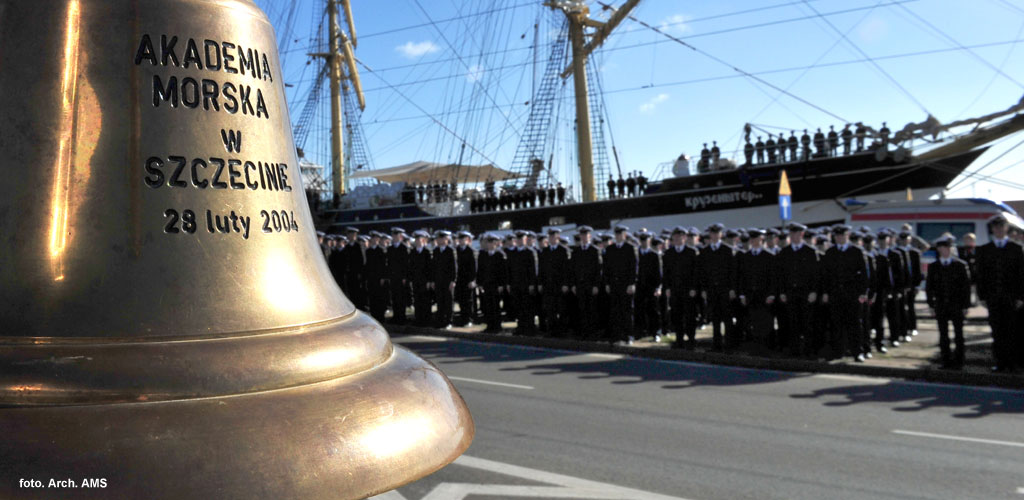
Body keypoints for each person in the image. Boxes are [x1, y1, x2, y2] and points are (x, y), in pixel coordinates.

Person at [976, 214, 1024, 372]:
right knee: (997, 331)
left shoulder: (1016, 249)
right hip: (993, 297)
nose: (998, 230)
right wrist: (982, 296)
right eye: (995, 227)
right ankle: (1000, 362)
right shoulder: (984, 250)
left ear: (1006, 229)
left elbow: (1021, 275)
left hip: (1011, 298)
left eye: (1001, 227)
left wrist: (1021, 297)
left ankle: (1012, 363)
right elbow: (981, 275)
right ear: (992, 230)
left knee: (1012, 330)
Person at [822, 225, 869, 361]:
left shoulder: (856, 251)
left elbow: (864, 275)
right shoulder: (830, 252)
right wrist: (826, 292)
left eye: (841, 236)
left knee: (854, 324)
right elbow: (826, 274)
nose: (839, 238)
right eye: (836, 236)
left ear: (847, 236)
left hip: (852, 294)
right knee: (837, 324)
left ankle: (857, 352)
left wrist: (862, 292)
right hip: (836, 294)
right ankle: (838, 351)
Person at [926, 235, 971, 369]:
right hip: (941, 305)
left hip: (956, 305)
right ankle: (945, 360)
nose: (944, 250)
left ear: (951, 249)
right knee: (943, 334)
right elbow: (929, 287)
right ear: (938, 249)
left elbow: (966, 288)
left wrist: (966, 305)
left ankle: (959, 361)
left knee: (959, 334)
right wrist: (931, 304)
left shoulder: (960, 265)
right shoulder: (934, 266)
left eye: (947, 247)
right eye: (941, 247)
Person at [777, 222, 820, 356]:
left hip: (806, 292)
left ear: (801, 234)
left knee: (807, 323)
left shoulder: (810, 251)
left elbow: (816, 274)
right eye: (792, 233)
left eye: (796, 233)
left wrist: (814, 291)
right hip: (791, 292)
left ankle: (808, 351)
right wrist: (782, 291)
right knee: (793, 323)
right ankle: (794, 351)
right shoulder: (785, 252)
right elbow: (781, 274)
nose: (794, 236)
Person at [699, 223, 736, 351]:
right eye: (712, 233)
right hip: (711, 289)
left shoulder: (727, 250)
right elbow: (702, 272)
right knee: (715, 318)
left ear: (721, 234)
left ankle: (730, 344)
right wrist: (704, 288)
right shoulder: (705, 251)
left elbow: (732, 271)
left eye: (716, 233)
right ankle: (716, 344)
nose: (714, 236)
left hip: (724, 288)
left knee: (727, 318)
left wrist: (732, 288)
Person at [737, 229, 776, 347]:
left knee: (765, 322)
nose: (753, 241)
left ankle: (767, 347)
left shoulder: (768, 256)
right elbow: (742, 277)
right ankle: (756, 346)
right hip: (751, 295)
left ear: (761, 239)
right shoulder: (746, 256)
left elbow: (773, 277)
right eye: (752, 239)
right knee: (753, 321)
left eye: (756, 239)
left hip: (764, 295)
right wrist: (742, 294)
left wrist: (771, 294)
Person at [662, 227, 700, 349]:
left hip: (688, 290)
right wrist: (667, 287)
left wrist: (694, 287)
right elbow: (666, 272)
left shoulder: (691, 252)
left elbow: (696, 272)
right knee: (676, 315)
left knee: (689, 315)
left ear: (685, 238)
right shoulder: (669, 253)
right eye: (676, 237)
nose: (678, 239)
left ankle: (691, 338)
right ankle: (679, 339)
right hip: (674, 289)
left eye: (681, 237)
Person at [604, 225, 638, 344]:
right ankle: (616, 335)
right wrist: (607, 283)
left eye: (620, 234)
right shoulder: (610, 249)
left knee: (627, 311)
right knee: (615, 311)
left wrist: (632, 283)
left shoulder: (630, 248)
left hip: (626, 285)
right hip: (614, 284)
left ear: (624, 235)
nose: (618, 236)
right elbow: (607, 268)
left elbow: (633, 268)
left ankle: (628, 335)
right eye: (617, 234)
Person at [539, 228, 571, 336]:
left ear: (558, 237)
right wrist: (541, 283)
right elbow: (542, 269)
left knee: (561, 309)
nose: (551, 238)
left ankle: (562, 331)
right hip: (548, 284)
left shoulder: (563, 250)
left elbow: (567, 269)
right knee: (550, 309)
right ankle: (551, 330)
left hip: (559, 284)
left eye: (553, 236)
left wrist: (566, 283)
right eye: (550, 236)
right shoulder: (545, 251)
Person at [572, 226, 602, 338]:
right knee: (582, 309)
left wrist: (596, 285)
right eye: (582, 235)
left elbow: (598, 270)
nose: (584, 237)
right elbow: (573, 269)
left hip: (591, 285)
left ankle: (592, 332)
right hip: (580, 285)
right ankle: (584, 332)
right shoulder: (576, 251)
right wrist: (574, 284)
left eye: (586, 235)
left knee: (592, 309)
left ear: (589, 236)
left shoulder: (595, 251)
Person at [476, 234, 509, 333]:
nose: (490, 245)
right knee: (488, 306)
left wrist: (501, 284)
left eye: (492, 243)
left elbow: (504, 271)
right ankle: (489, 325)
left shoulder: (500, 255)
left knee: (496, 306)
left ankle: (497, 326)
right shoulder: (483, 255)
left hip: (496, 284)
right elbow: (480, 270)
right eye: (488, 243)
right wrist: (480, 283)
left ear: (496, 243)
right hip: (487, 284)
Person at [508, 230, 538, 334]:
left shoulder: (530, 252)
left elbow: (533, 270)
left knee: (528, 306)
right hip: (516, 284)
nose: (520, 241)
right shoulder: (513, 253)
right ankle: (520, 326)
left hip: (526, 284)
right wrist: (509, 283)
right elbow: (510, 269)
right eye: (518, 239)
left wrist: (531, 284)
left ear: (525, 239)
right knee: (518, 306)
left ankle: (529, 327)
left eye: (522, 239)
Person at [635, 232, 662, 341]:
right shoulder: (636, 254)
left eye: (646, 240)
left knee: (653, 310)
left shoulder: (654, 255)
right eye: (642, 240)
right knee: (639, 310)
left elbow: (659, 273)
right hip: (639, 286)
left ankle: (656, 332)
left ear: (649, 241)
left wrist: (658, 287)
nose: (644, 242)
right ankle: (641, 331)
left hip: (651, 286)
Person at [896, 231, 924, 338]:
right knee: (901, 307)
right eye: (902, 239)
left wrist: (917, 285)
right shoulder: (897, 251)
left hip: (912, 284)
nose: (904, 241)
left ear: (909, 239)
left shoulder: (914, 252)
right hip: (901, 285)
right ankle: (902, 329)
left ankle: (912, 327)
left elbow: (918, 270)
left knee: (911, 306)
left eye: (906, 239)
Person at [408, 230, 434, 327]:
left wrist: (429, 281)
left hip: (424, 281)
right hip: (416, 280)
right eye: (416, 239)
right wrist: (411, 279)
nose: (418, 241)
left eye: (420, 239)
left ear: (423, 240)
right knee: (417, 300)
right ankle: (418, 319)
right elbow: (411, 267)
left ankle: (426, 320)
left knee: (426, 301)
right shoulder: (413, 252)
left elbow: (430, 268)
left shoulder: (427, 252)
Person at [386, 228, 410, 324]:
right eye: (394, 235)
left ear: (401, 237)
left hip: (401, 278)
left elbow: (406, 264)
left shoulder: (404, 248)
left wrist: (405, 277)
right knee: (395, 298)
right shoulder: (390, 249)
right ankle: (396, 316)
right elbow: (389, 264)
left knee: (401, 298)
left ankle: (402, 317)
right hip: (393, 277)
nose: (395, 237)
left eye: (397, 235)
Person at [364, 231, 388, 322]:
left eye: (376, 238)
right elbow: (367, 265)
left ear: (378, 239)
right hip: (371, 278)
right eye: (373, 238)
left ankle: (380, 316)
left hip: (379, 278)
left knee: (379, 297)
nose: (374, 240)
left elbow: (383, 265)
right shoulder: (368, 251)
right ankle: (374, 315)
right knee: (372, 297)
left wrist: (383, 277)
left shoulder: (381, 250)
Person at [454, 231, 477, 327]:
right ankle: (463, 319)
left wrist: (473, 280)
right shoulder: (456, 250)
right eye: (459, 239)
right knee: (461, 300)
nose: (460, 241)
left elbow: (474, 267)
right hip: (459, 279)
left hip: (468, 280)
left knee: (468, 301)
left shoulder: (471, 250)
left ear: (467, 240)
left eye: (462, 239)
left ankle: (469, 320)